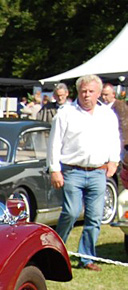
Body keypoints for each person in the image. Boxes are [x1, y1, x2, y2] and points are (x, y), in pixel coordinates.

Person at [47, 75, 120, 270]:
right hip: (72, 171)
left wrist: (114, 161)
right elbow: (54, 143)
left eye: (91, 91)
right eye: (83, 91)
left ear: (98, 93)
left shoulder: (107, 115)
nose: (87, 95)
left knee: (95, 217)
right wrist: (55, 170)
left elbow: (115, 139)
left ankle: (87, 258)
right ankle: (54, 251)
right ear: (78, 92)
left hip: (98, 172)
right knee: (70, 213)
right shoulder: (65, 113)